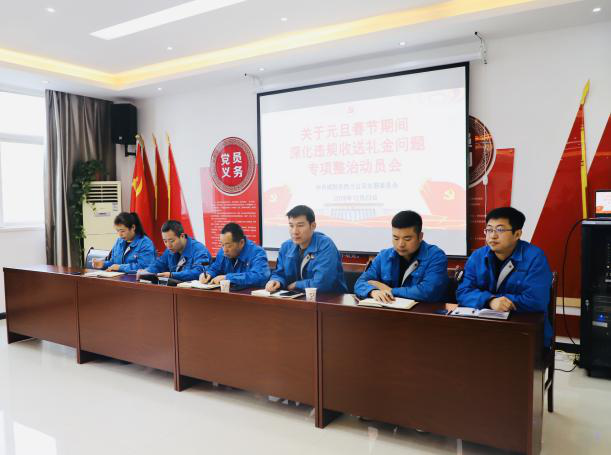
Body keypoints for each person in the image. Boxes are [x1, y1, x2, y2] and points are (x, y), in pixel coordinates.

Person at [456, 207, 553, 346]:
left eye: (500, 230)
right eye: (489, 230)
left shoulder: (535, 258)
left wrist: (498, 301)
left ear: (517, 234)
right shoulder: (477, 256)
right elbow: (462, 292)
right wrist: (490, 300)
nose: (493, 236)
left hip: (524, 331)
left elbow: (536, 301)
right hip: (484, 328)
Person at [354, 210, 449, 302]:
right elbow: (360, 283)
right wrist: (373, 292)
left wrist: (390, 291)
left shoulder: (435, 256)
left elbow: (428, 291)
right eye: (396, 238)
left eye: (407, 239)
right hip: (389, 310)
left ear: (420, 237)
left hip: (425, 311)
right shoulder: (384, 256)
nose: (400, 244)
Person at [265, 205, 348, 293]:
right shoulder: (286, 247)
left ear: (313, 226)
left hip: (329, 298)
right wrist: (276, 281)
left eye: (300, 225)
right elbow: (280, 273)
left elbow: (323, 283)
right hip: (298, 297)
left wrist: (296, 285)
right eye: (291, 226)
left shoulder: (325, 245)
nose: (295, 231)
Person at [199, 222, 270, 288]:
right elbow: (215, 268)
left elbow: (260, 276)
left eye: (228, 245)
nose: (224, 250)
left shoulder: (257, 252)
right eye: (222, 245)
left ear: (241, 243)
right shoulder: (223, 252)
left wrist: (228, 278)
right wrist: (209, 274)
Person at [137, 220, 211, 281]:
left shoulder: (199, 250)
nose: (168, 245)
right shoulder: (170, 250)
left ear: (182, 236)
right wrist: (147, 271)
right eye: (165, 241)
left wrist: (172, 275)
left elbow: (200, 272)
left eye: (171, 241)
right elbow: (159, 264)